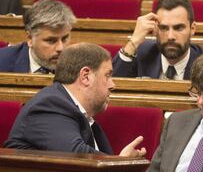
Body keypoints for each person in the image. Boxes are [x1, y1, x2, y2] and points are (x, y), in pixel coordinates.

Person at [4, 43, 146, 158]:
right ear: (85, 76)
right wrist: (120, 164)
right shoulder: (50, 104)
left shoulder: (75, 111)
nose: (112, 85)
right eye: (107, 76)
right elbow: (75, 154)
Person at [113, 0, 203, 80]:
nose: (170, 36)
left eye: (178, 28)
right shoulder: (143, 53)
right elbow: (111, 85)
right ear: (155, 28)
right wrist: (133, 42)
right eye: (163, 28)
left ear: (192, 29)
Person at [0, 0, 75, 74]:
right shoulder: (2, 62)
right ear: (30, 39)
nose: (60, 48)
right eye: (51, 41)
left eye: (65, 39)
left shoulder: (80, 66)